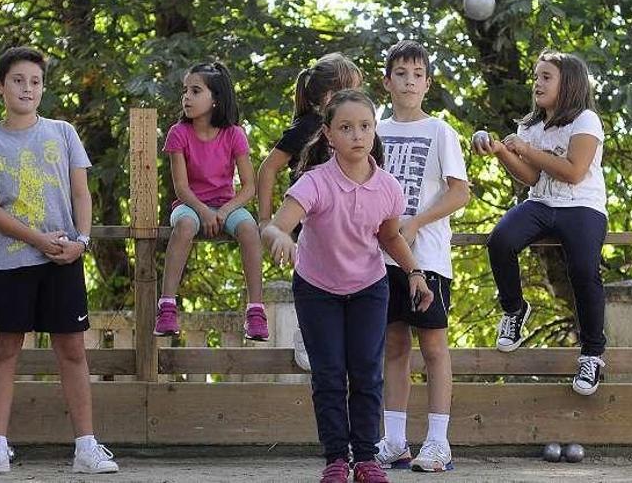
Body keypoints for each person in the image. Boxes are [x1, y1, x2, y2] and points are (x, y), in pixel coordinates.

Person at [262, 89, 434, 483]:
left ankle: (368, 459)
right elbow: (275, 226)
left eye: (365, 126)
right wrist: (282, 238)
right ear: (328, 135)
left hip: (369, 288)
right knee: (329, 374)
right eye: (346, 127)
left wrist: (415, 274)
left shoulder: (388, 187)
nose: (357, 135)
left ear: (374, 131)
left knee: (367, 373)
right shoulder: (314, 183)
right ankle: (337, 459)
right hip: (316, 288)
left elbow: (391, 238)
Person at [0, 46, 118, 474]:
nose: (27, 88)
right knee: (5, 350)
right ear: (0, 86)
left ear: (43, 88)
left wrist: (81, 242)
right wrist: (37, 240)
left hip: (63, 260)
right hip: (9, 263)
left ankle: (86, 447)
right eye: (17, 80)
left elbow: (81, 193)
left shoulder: (64, 132)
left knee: (72, 349)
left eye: (35, 81)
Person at [475, 50, 608, 396]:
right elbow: (531, 179)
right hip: (541, 203)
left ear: (570, 84)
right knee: (500, 241)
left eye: (546, 77)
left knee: (582, 269)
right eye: (536, 76)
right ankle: (515, 309)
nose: (537, 82)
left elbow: (574, 172)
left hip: (582, 206)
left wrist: (525, 148)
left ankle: (592, 354)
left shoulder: (585, 120)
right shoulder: (530, 126)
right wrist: (502, 152)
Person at [373, 40, 470, 473]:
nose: (409, 81)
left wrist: (415, 223)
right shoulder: (373, 129)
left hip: (426, 257)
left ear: (427, 83)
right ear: (387, 81)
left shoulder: (440, 131)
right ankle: (393, 441)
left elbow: (460, 191)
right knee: (393, 347)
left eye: (417, 74)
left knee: (433, 348)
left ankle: (438, 442)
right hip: (380, 259)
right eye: (401, 74)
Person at [257, 53, 362, 369]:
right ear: (331, 96)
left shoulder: (352, 130)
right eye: (352, 92)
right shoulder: (308, 127)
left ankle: (342, 334)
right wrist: (266, 218)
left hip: (346, 214)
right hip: (313, 215)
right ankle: (307, 333)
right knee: (312, 277)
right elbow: (268, 168)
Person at [154, 62, 268, 341]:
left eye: (195, 91)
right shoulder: (179, 133)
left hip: (226, 204)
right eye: (185, 91)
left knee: (249, 229)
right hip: (190, 204)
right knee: (183, 226)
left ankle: (255, 310)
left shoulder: (234, 134)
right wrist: (203, 211)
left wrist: (226, 210)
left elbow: (249, 186)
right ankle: (167, 306)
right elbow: (181, 187)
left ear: (215, 99)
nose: (186, 97)